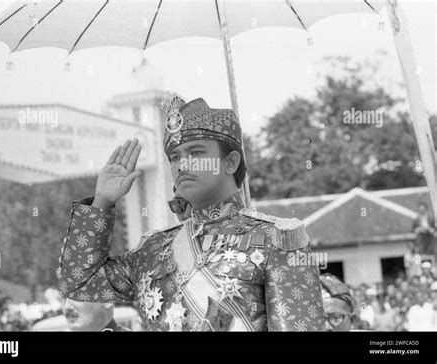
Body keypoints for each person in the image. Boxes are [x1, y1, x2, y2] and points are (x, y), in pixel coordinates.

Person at [58, 95, 325, 331]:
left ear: (230, 162)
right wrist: (102, 203)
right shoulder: (152, 249)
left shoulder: (277, 240)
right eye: (174, 157)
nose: (182, 164)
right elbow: (80, 284)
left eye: (196, 153)